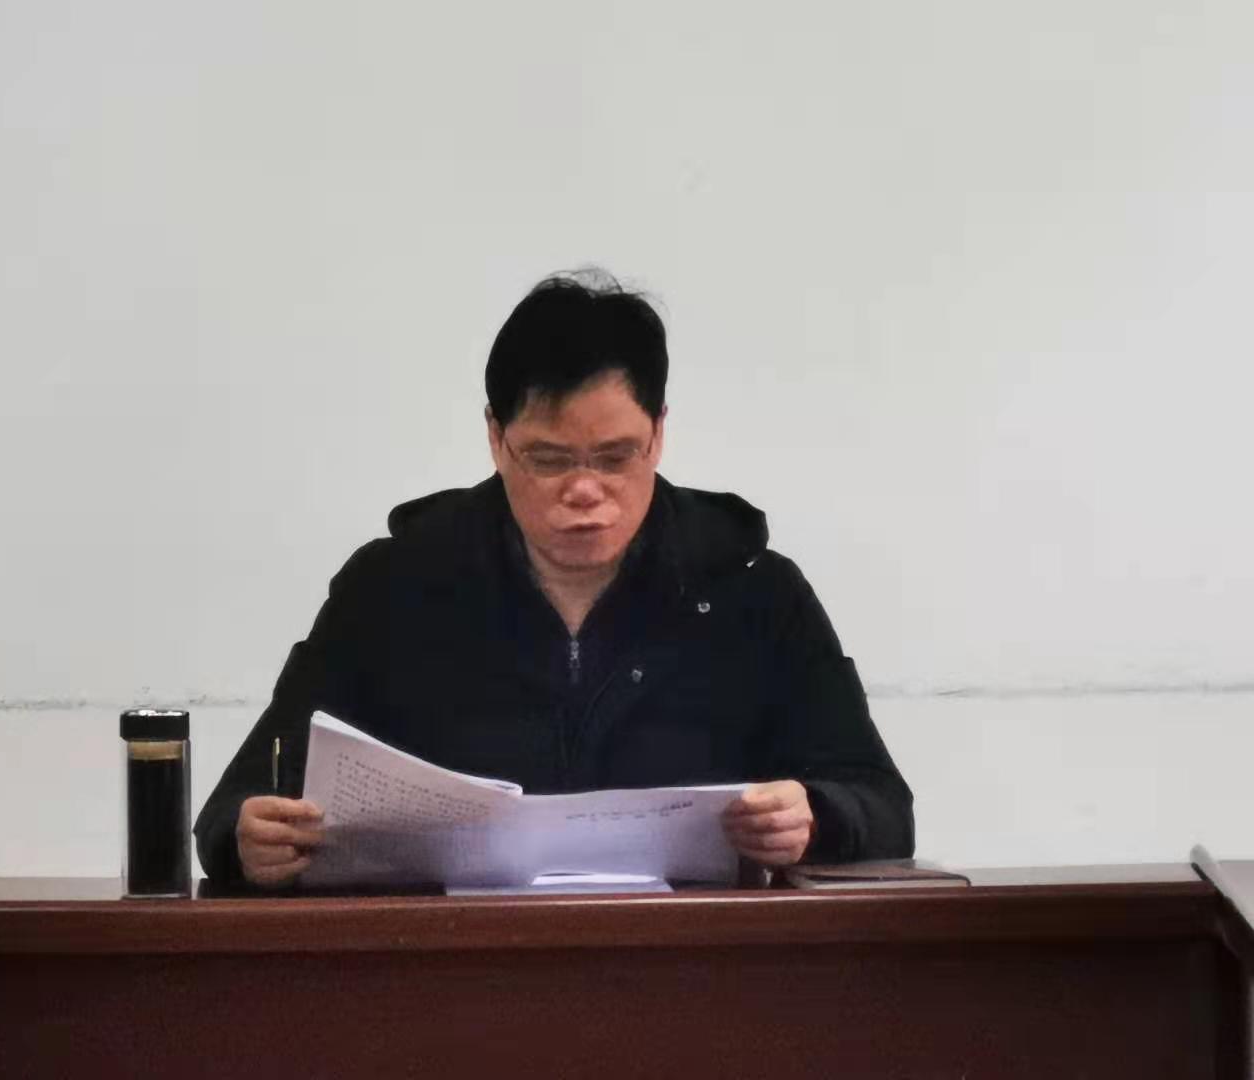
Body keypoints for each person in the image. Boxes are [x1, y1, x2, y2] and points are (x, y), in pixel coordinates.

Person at [195, 271, 914, 887]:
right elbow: (242, 803)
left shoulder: (754, 593)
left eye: (616, 457)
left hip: (693, 969)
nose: (584, 490)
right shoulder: (392, 590)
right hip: (445, 970)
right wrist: (247, 840)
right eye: (547, 459)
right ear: (495, 437)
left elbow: (883, 805)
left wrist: (815, 815)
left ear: (659, 433)